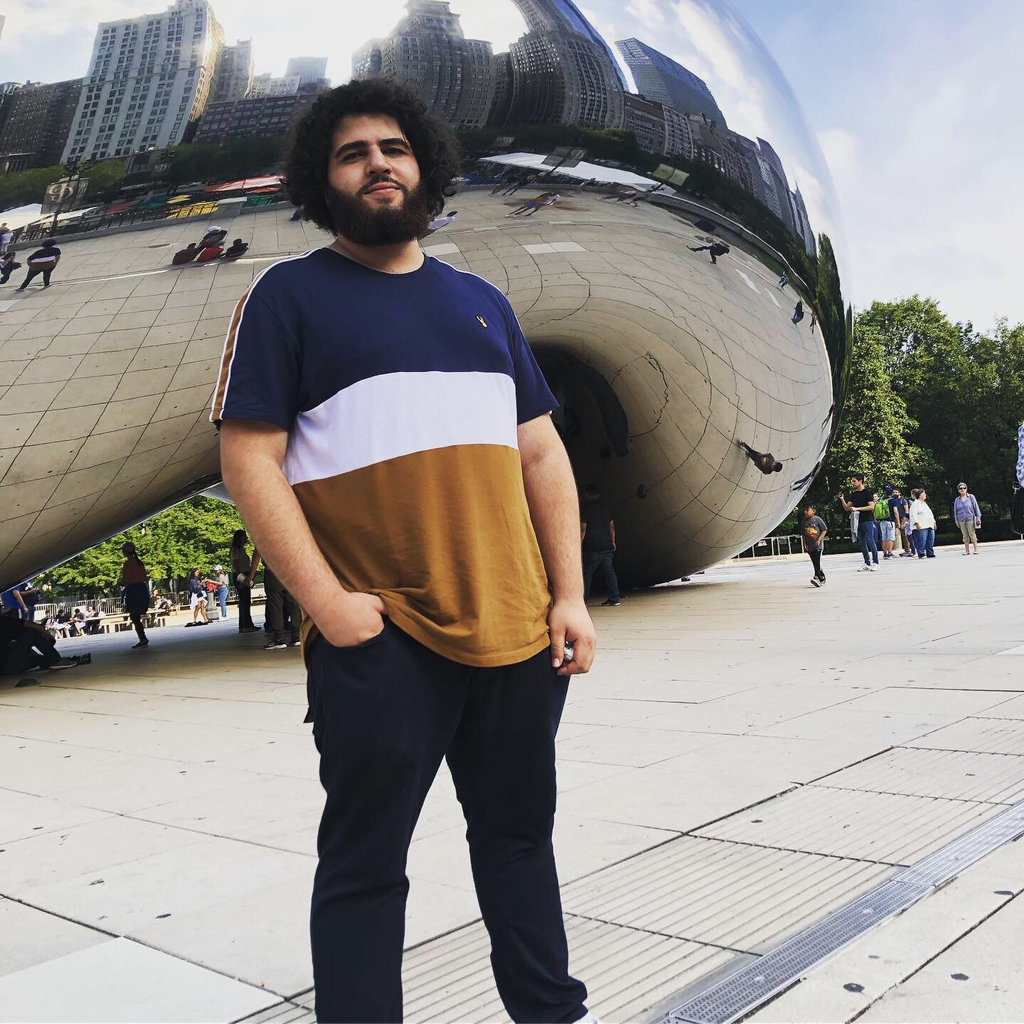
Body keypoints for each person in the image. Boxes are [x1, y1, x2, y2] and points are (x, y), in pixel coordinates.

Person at [212, 78, 596, 1024]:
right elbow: (249, 459)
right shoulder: (287, 295)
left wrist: (570, 595)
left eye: (394, 148)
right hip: (385, 641)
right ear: (323, 181)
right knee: (365, 867)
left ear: (425, 166)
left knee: (519, 843)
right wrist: (329, 606)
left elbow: (541, 453)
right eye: (352, 154)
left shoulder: (482, 302)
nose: (377, 164)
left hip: (518, 634)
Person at [580, 483, 620, 606]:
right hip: (607, 546)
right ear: (598, 494)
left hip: (592, 548)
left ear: (587, 494)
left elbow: (583, 528)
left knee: (587, 574)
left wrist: (579, 544)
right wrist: (613, 541)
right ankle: (614, 598)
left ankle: (583, 600)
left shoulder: (585, 509)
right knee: (609, 573)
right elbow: (612, 526)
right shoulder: (605, 508)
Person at [0, 613, 77, 674]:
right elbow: (32, 625)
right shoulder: (3, 622)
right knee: (31, 632)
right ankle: (55, 659)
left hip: (5, 669)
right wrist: (49, 636)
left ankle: (49, 660)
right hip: (9, 665)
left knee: (39, 659)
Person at [260, 556, 301, 649]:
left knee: (275, 606)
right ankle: (297, 637)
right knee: (293, 604)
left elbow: (257, 554)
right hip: (290, 570)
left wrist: (251, 574)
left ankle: (278, 639)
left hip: (273, 571)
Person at [839, 473, 878, 571]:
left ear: (860, 481)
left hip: (867, 520)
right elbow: (847, 508)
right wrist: (842, 499)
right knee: (862, 542)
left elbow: (871, 507)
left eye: (854, 481)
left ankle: (876, 563)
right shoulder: (854, 494)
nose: (852, 483)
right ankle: (867, 563)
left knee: (870, 540)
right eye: (852, 481)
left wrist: (857, 509)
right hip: (858, 521)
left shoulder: (867, 492)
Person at [230, 529, 261, 633]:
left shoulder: (240, 549)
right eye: (244, 536)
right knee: (244, 601)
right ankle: (245, 625)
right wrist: (242, 579)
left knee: (245, 601)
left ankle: (246, 624)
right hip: (241, 575)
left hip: (243, 574)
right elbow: (237, 566)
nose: (246, 538)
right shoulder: (236, 550)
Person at [119, 542, 150, 647]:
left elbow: (126, 579)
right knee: (136, 616)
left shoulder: (127, 564)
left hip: (133, 590)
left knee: (134, 616)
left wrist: (121, 582)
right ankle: (142, 638)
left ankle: (143, 638)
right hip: (141, 589)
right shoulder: (139, 562)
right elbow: (143, 577)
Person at [800, 501, 828, 587]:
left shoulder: (817, 519)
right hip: (810, 546)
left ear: (813, 511)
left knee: (817, 561)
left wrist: (819, 540)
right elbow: (803, 534)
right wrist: (804, 543)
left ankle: (816, 577)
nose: (805, 512)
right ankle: (822, 577)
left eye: (807, 510)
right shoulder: (804, 522)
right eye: (804, 510)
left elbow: (824, 530)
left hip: (817, 545)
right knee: (815, 562)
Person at [953, 482, 982, 554]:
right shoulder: (957, 500)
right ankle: (967, 550)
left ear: (966, 489)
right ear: (958, 490)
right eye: (960, 488)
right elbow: (955, 511)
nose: (962, 489)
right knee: (965, 535)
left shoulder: (971, 497)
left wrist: (978, 517)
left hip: (970, 518)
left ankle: (976, 549)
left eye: (964, 488)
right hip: (961, 519)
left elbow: (976, 507)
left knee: (972, 534)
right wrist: (956, 521)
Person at [909, 488, 937, 558]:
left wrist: (934, 522)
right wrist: (916, 523)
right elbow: (913, 514)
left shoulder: (924, 504)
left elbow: (930, 514)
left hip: (929, 524)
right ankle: (921, 552)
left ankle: (930, 552)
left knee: (930, 540)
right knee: (921, 540)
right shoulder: (915, 504)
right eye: (923, 494)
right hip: (921, 525)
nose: (925, 495)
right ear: (919, 495)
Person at [875, 485, 898, 559]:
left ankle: (885, 553)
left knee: (884, 538)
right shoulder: (892, 500)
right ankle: (889, 553)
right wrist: (898, 521)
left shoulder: (880, 500)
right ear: (891, 492)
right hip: (890, 521)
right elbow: (895, 511)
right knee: (890, 537)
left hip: (882, 521)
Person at [891, 487, 913, 556]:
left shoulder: (903, 500)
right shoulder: (892, 500)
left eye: (896, 492)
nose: (895, 493)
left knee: (905, 535)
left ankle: (908, 550)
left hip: (902, 519)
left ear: (899, 493)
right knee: (895, 535)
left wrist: (905, 519)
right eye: (894, 492)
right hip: (895, 519)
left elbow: (906, 510)